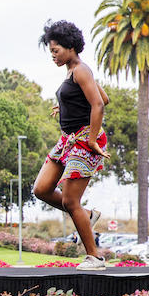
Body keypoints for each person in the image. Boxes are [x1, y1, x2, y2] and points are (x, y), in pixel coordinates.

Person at [33, 20, 110, 270]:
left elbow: (98, 105)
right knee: (42, 189)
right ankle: (88, 216)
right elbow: (103, 97)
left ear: (70, 47)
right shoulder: (73, 71)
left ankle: (95, 257)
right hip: (67, 140)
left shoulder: (80, 69)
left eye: (55, 51)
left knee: (69, 201)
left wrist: (91, 139)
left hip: (83, 139)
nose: (53, 56)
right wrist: (66, 105)